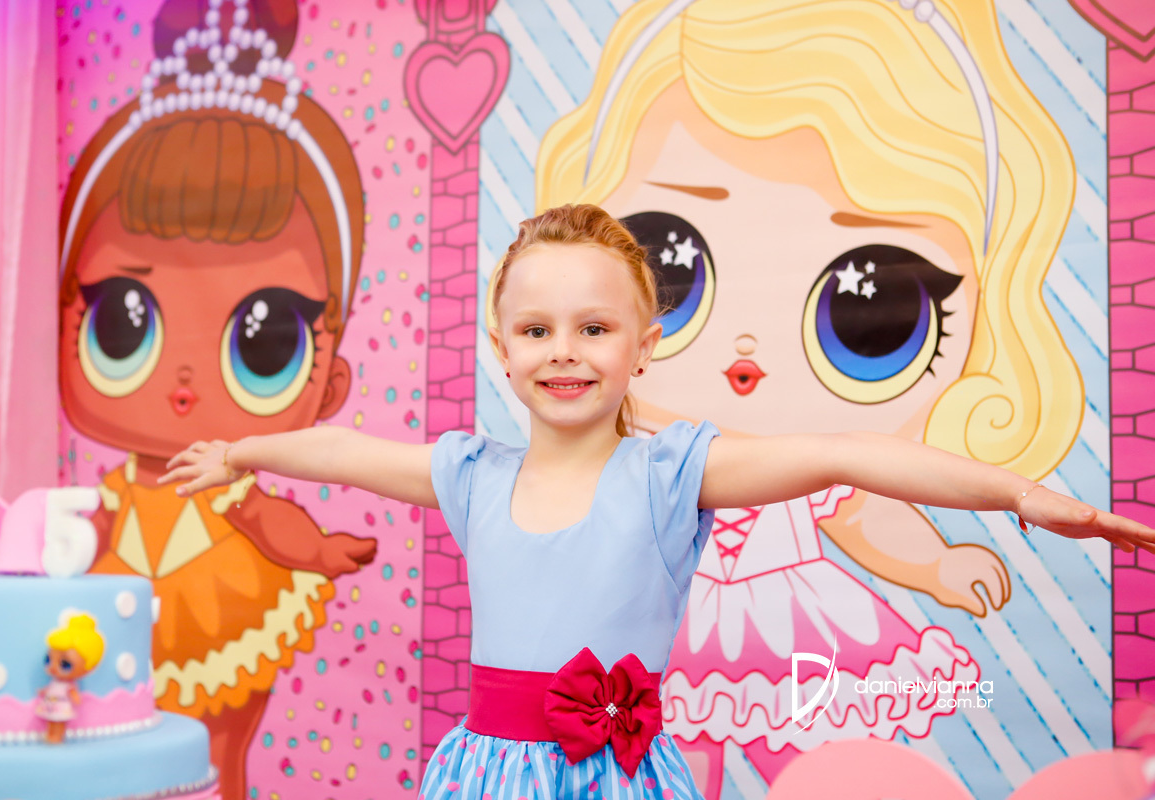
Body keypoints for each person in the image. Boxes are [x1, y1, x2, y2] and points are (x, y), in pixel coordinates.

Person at [161, 203, 1155, 800]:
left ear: (644, 346)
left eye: (594, 328)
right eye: (537, 329)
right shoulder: (470, 474)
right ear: (503, 349)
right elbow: (341, 451)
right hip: (490, 775)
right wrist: (238, 449)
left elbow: (843, 453)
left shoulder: (674, 473)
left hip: (622, 775)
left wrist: (1020, 495)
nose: (564, 351)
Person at [534, 0, 1082, 789]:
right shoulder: (635, 460)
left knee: (815, 763)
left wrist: (935, 564)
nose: (747, 352)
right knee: (664, 763)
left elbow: (860, 510)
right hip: (665, 636)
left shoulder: (803, 462)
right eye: (673, 267)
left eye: (868, 318)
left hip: (794, 630)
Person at [57, 0, 374, 794]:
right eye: (122, 323)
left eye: (264, 342)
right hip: (120, 609)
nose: (183, 386)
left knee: (216, 755)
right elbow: (87, 527)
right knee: (112, 747)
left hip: (221, 606)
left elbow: (265, 520)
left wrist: (320, 552)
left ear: (330, 378)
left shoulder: (226, 477)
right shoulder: (113, 495)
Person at [36, 613, 105, 744]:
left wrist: (75, 697)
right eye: (48, 659)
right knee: (50, 720)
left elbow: (72, 692)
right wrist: (43, 691)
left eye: (64, 664)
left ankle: (57, 736)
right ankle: (49, 734)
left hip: (61, 705)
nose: (53, 667)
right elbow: (50, 688)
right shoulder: (55, 681)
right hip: (50, 704)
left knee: (59, 721)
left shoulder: (68, 685)